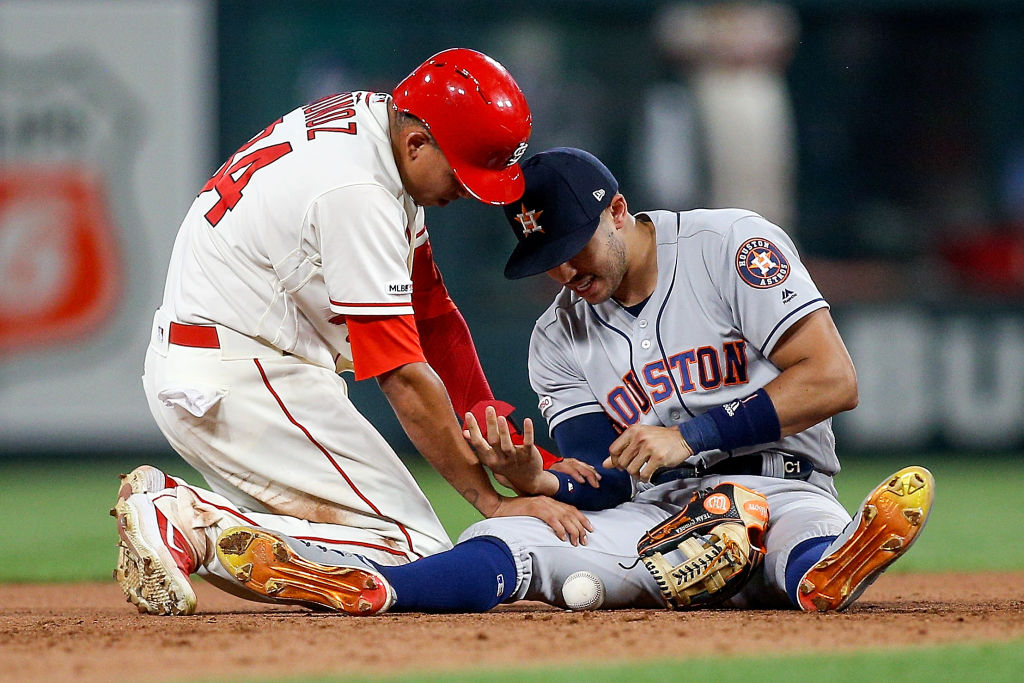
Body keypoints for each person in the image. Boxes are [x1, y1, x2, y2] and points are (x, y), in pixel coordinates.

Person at [202, 148, 935, 615]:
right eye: (543, 257)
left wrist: (693, 435)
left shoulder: (731, 245)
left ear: (617, 210)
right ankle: (372, 588)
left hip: (784, 485)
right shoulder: (557, 336)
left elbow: (834, 379)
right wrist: (540, 481)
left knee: (803, 539)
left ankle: (823, 571)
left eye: (571, 246)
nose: (563, 272)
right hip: (661, 521)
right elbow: (605, 481)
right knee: (507, 531)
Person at [112, 50, 596, 617]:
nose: (468, 191)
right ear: (418, 143)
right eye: (464, 173)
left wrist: (520, 453)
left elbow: (434, 320)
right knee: (413, 551)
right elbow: (403, 377)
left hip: (234, 368)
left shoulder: (378, 130)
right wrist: (489, 501)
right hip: (244, 377)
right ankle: (185, 517)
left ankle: (203, 529)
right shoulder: (358, 191)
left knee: (345, 546)